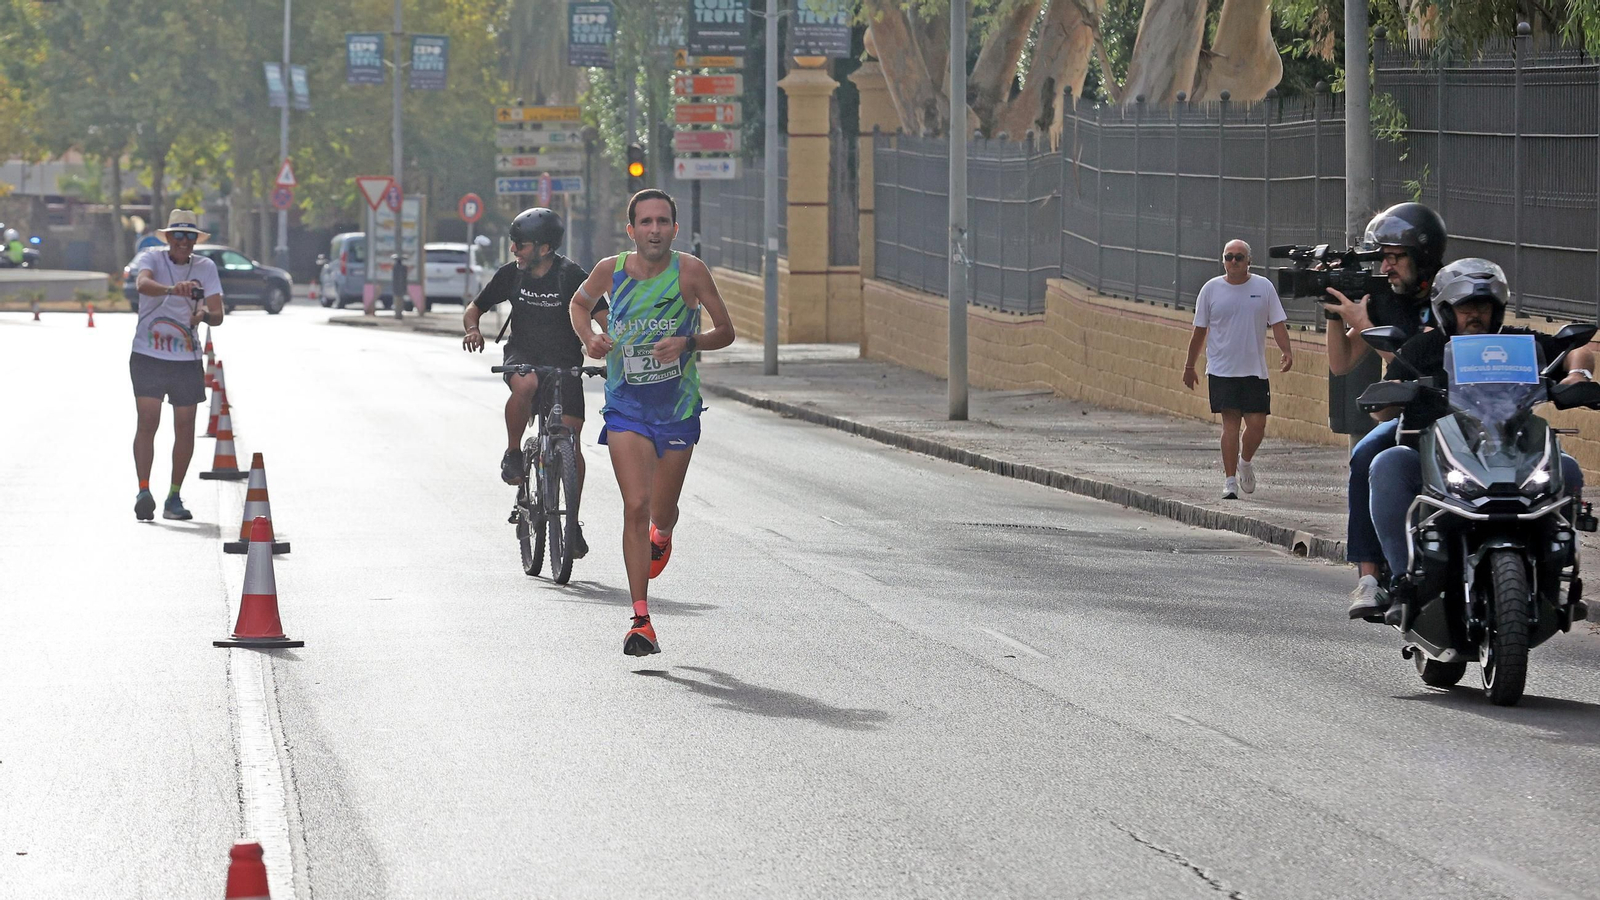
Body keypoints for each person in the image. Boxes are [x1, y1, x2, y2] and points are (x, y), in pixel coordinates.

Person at [1362, 258, 1595, 621]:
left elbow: (1575, 352)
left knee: (1566, 468)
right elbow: (1383, 409)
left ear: (1497, 310)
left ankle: (1557, 576)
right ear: (1445, 310)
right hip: (1434, 457)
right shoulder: (1422, 349)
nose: (1475, 315)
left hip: (1510, 452)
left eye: (1483, 306)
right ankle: (1402, 581)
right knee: (1387, 464)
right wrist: (1394, 393)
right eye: (1465, 306)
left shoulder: (1518, 344)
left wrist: (1577, 374)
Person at [568, 189, 736, 656]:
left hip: (677, 409)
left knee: (661, 514)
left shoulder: (691, 272)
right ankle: (640, 620)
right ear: (632, 230)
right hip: (626, 406)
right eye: (646, 222)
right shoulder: (611, 270)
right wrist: (590, 338)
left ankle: (662, 536)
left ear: (674, 230)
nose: (655, 229)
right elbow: (579, 305)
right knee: (635, 505)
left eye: (663, 221)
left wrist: (688, 343)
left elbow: (726, 331)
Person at [463, 208, 607, 557]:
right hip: (523, 355)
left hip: (565, 363)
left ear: (544, 248)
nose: (514, 250)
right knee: (525, 386)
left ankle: (570, 523)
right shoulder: (510, 275)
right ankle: (514, 453)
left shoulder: (572, 275)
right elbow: (475, 308)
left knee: (571, 442)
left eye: (521, 244)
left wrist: (605, 342)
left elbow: (604, 316)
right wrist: (472, 328)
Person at [1329, 203, 1448, 617]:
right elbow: (1342, 363)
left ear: (1423, 256)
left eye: (1394, 257)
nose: (1386, 266)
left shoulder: (1449, 298)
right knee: (1365, 455)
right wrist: (1335, 315)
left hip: (1456, 411)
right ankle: (1369, 578)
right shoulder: (1383, 300)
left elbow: (1418, 358)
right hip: (1407, 416)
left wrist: (1363, 325)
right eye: (1383, 257)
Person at [129, 209, 225, 521]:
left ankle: (174, 495)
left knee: (184, 427)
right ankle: (144, 489)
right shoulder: (152, 258)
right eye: (178, 236)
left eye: (190, 237)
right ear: (168, 238)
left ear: (196, 241)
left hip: (186, 358)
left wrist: (202, 316)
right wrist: (172, 290)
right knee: (148, 420)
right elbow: (142, 285)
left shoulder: (205, 266)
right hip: (148, 354)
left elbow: (218, 315)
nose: (184, 242)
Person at [1182, 240, 1293, 499]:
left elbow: (1277, 323)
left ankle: (1245, 461)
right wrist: (1189, 366)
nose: (1233, 262)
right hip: (1222, 369)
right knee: (1229, 425)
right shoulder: (1210, 290)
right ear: (1223, 260)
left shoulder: (1263, 287)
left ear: (1248, 262)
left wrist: (1286, 351)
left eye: (1239, 257)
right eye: (1228, 257)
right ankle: (1230, 480)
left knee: (1257, 425)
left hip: (1254, 370)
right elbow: (1199, 332)